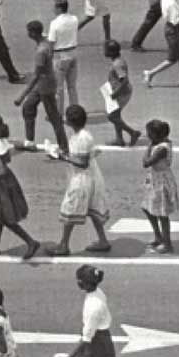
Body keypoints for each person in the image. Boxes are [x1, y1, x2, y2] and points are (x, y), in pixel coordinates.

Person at [50, 105, 111, 256]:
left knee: (70, 209)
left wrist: (62, 157)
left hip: (82, 179)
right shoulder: (82, 135)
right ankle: (103, 240)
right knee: (92, 209)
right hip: (90, 176)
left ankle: (63, 245)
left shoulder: (82, 138)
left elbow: (82, 163)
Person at [0, 114, 40, 259]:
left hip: (1, 185)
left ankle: (30, 242)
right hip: (7, 182)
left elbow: (1, 170)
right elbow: (15, 148)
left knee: (5, 217)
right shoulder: (2, 142)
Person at [15, 20, 69, 153]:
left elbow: (36, 76)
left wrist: (22, 96)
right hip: (44, 83)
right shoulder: (45, 41)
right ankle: (29, 142)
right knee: (28, 107)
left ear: (33, 33)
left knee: (53, 116)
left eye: (29, 31)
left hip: (45, 86)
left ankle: (64, 146)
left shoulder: (41, 52)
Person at [140, 118, 178, 254]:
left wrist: (149, 146)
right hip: (154, 180)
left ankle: (167, 243)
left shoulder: (161, 148)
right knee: (147, 208)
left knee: (162, 214)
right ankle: (158, 236)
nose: (147, 135)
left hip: (161, 182)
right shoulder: (163, 143)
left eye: (149, 133)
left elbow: (146, 162)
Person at [103, 40, 141, 147]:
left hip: (121, 93)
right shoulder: (117, 61)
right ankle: (119, 139)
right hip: (120, 92)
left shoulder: (117, 64)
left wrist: (115, 93)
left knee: (111, 116)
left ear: (111, 52)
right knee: (116, 115)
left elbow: (124, 80)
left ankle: (132, 133)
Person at [46, 0, 80, 115]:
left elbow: (51, 42)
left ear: (59, 8)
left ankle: (58, 113)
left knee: (59, 88)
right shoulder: (74, 19)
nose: (53, 9)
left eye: (55, 7)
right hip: (73, 53)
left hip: (60, 55)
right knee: (72, 86)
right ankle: (75, 111)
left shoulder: (54, 23)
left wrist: (49, 57)